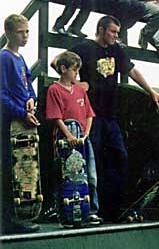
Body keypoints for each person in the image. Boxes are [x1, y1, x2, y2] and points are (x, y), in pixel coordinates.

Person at [52, 15, 159, 221]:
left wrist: (152, 92)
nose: (116, 36)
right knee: (94, 160)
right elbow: (57, 62)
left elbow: (132, 71)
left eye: (118, 32)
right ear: (101, 30)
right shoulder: (85, 47)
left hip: (111, 115)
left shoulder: (116, 50)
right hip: (91, 115)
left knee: (119, 156)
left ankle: (114, 207)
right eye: (113, 32)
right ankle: (91, 210)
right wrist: (74, 85)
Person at [45, 51, 103, 226]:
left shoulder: (79, 90)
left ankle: (91, 210)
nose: (77, 74)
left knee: (89, 175)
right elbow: (56, 117)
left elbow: (89, 114)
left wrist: (85, 134)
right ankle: (63, 212)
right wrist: (69, 135)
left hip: (83, 140)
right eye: (74, 70)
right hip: (64, 139)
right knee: (65, 175)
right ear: (63, 69)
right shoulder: (54, 90)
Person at [0, 14, 40, 233]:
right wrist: (21, 113)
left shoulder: (20, 58)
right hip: (10, 122)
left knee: (22, 170)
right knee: (8, 170)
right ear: (8, 33)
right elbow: (2, 95)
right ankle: (8, 220)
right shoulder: (4, 57)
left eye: (27, 32)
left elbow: (28, 85)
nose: (25, 36)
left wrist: (31, 100)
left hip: (23, 120)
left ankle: (18, 216)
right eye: (20, 32)